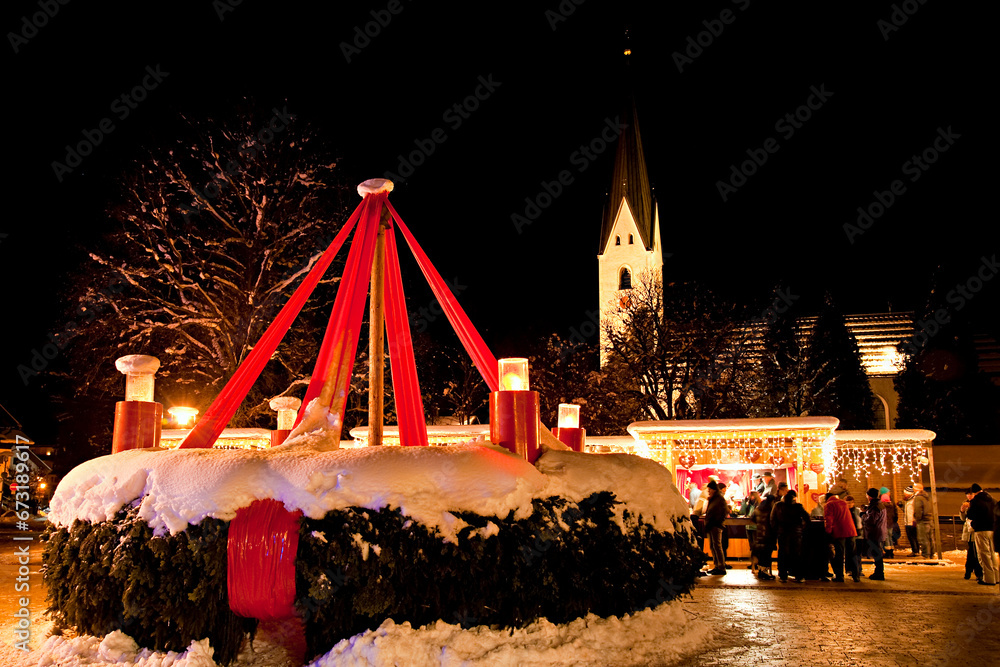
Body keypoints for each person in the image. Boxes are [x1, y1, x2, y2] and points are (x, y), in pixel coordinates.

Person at [772, 488, 809, 582]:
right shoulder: (798, 506)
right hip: (796, 533)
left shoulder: (778, 506)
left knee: (783, 553)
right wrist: (802, 527)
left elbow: (772, 520)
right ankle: (798, 575)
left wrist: (776, 530)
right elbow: (807, 518)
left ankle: (783, 575)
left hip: (782, 533)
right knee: (796, 554)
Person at [824, 492, 859, 582]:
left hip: (840, 531)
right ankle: (856, 575)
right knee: (852, 553)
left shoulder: (829, 504)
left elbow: (829, 519)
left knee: (839, 554)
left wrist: (828, 531)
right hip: (851, 530)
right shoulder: (843, 503)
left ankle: (839, 576)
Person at [967, 483, 998, 586]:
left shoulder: (975, 501)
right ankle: (997, 576)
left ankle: (988, 579)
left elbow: (970, 514)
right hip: (992, 529)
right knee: (992, 553)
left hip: (981, 529)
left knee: (984, 554)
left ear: (974, 492)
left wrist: (973, 523)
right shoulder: (993, 500)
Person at [753, 489, 779, 580]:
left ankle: (761, 572)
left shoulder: (759, 509)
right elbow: (774, 523)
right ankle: (765, 573)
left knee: (761, 555)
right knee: (767, 555)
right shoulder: (771, 510)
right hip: (769, 536)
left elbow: (752, 518)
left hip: (760, 536)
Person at [704, 481, 729, 575]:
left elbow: (720, 513)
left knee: (717, 546)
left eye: (709, 489)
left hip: (715, 525)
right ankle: (717, 565)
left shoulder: (718, 499)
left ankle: (721, 567)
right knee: (713, 546)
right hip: (712, 525)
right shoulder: (715, 499)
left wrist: (715, 522)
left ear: (714, 490)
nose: (708, 491)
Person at [862, 488, 887, 580]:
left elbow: (871, 520)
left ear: (869, 496)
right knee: (877, 553)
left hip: (875, 533)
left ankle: (879, 573)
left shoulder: (874, 506)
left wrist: (864, 516)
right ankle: (879, 572)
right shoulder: (880, 504)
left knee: (877, 553)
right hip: (880, 532)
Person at [960, 490, 983, 582]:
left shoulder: (977, 504)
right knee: (972, 552)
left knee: (974, 553)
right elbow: (963, 518)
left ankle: (972, 572)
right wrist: (962, 510)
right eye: (967, 494)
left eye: (971, 494)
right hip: (969, 532)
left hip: (975, 531)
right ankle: (971, 572)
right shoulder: (965, 504)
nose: (969, 496)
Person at [911, 482, 933, 559]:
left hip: (922, 520)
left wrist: (917, 518)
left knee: (923, 538)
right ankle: (931, 554)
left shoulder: (918, 497)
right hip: (929, 519)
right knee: (930, 538)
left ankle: (925, 554)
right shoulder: (926, 496)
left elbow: (918, 509)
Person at [740, 491, 761, 569]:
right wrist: (744, 503)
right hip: (748, 527)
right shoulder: (749, 505)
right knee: (751, 546)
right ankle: (753, 563)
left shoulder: (758, 505)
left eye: (752, 496)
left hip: (755, 527)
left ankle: (756, 563)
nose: (751, 497)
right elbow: (742, 512)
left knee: (755, 546)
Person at [847, 496, 864, 576]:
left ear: (853, 503)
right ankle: (851, 569)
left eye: (850, 503)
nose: (849, 505)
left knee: (858, 553)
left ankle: (858, 569)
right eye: (847, 503)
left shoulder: (857, 510)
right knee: (850, 553)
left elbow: (861, 520)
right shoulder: (845, 511)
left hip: (858, 534)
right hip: (850, 534)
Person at [880, 487, 899, 558]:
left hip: (884, 524)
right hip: (891, 523)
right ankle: (891, 551)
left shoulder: (882, 506)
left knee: (886, 537)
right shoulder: (891, 505)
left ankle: (888, 552)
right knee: (890, 537)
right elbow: (895, 514)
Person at [902, 486, 917, 556]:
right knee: (910, 537)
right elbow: (907, 511)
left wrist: (914, 520)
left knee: (913, 537)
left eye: (905, 493)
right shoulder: (907, 501)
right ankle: (915, 550)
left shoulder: (913, 500)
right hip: (907, 521)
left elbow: (914, 511)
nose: (904, 494)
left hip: (912, 521)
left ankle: (915, 551)